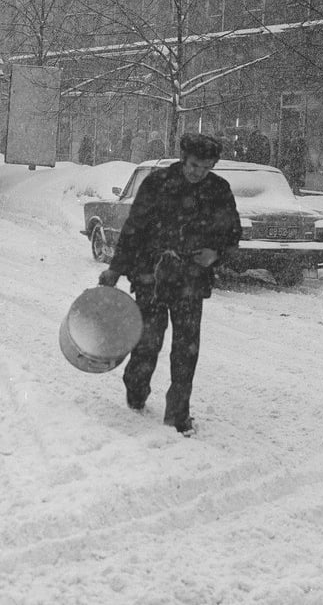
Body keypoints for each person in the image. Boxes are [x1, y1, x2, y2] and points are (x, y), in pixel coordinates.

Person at [98, 133, 242, 436]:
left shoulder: (219, 191)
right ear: (182, 158)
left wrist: (215, 254)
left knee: (186, 351)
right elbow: (133, 229)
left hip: (191, 279)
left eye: (204, 167)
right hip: (151, 275)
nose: (196, 172)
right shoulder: (158, 183)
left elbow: (232, 234)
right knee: (148, 342)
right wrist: (115, 270)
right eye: (192, 165)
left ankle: (178, 414)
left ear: (213, 165)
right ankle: (136, 391)